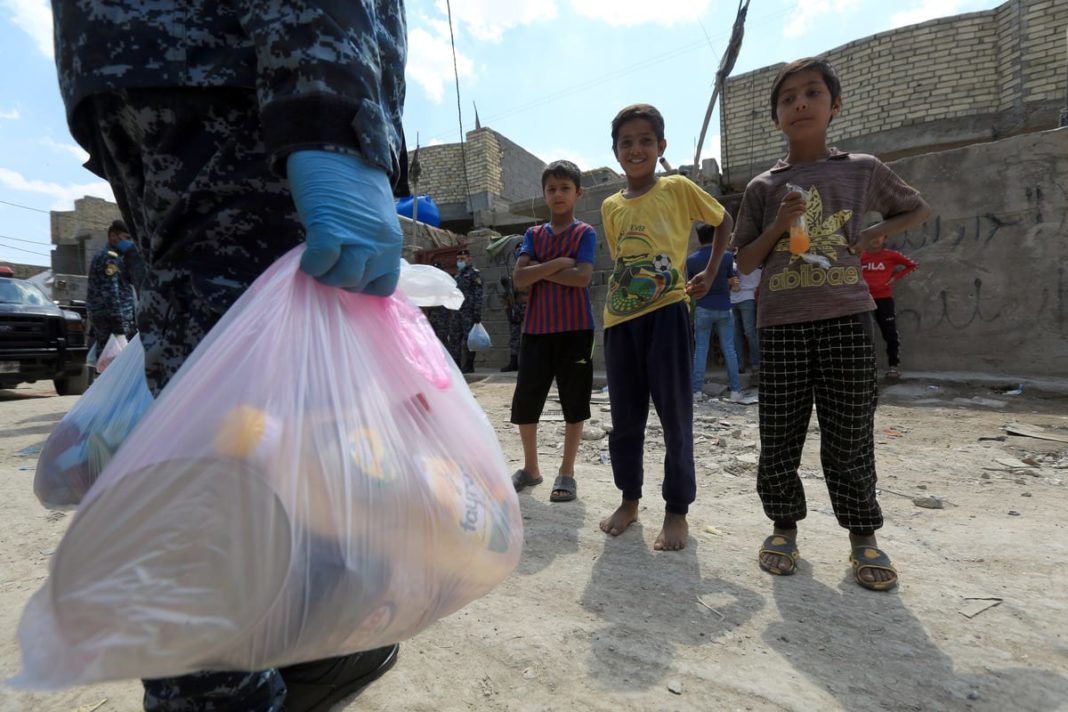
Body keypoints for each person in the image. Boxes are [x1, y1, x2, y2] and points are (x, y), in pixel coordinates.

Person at [50, 1, 408, 709]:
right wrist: (331, 119)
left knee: (221, 440)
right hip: (239, 81)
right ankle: (230, 685)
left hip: (141, 73)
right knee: (226, 479)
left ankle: (241, 671)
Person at [732, 57, 931, 591]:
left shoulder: (861, 169)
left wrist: (872, 236)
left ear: (833, 105)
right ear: (776, 117)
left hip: (846, 316)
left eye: (812, 93)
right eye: (788, 98)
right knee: (779, 436)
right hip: (780, 325)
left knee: (848, 436)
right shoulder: (762, 186)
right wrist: (778, 222)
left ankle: (863, 536)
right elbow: (746, 261)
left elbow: (915, 208)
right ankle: (783, 527)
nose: (800, 103)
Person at [598, 104, 733, 551]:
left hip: (669, 314)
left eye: (645, 141)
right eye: (626, 142)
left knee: (675, 418)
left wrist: (711, 271)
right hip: (620, 323)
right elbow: (622, 258)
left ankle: (677, 510)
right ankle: (629, 500)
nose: (636, 149)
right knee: (625, 421)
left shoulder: (677, 187)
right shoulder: (610, 206)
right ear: (616, 151)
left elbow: (722, 220)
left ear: (661, 147)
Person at [508, 160, 596, 503]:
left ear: (578, 193)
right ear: (544, 194)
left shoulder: (585, 233)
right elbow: (518, 279)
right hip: (537, 331)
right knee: (526, 401)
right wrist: (561, 264)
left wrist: (538, 271)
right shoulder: (533, 234)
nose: (557, 194)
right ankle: (531, 469)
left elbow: (583, 278)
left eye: (565, 188)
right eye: (551, 189)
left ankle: (567, 471)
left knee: (575, 402)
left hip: (575, 330)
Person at [686, 223, 743, 403]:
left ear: (699, 237)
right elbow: (731, 280)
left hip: (703, 307)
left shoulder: (691, 260)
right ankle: (735, 390)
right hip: (724, 306)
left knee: (701, 350)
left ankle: (696, 391)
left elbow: (691, 285)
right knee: (729, 349)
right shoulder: (725, 257)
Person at [861, 235, 918, 378]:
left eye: (879, 237)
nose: (875, 239)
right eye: (873, 236)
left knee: (890, 333)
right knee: (862, 335)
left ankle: (893, 366)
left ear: (884, 239)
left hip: (884, 300)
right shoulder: (860, 256)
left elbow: (912, 265)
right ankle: (864, 369)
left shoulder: (891, 255)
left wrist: (895, 277)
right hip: (862, 300)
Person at [85, 220, 145, 355]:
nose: (130, 242)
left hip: (110, 319)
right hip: (112, 320)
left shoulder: (118, 257)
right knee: (112, 360)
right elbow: (111, 293)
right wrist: (119, 324)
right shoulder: (109, 258)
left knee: (110, 359)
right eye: (127, 238)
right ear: (113, 236)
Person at [448, 248, 483, 373]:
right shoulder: (457, 276)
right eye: (458, 259)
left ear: (469, 259)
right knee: (454, 339)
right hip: (456, 312)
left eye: (462, 259)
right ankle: (456, 365)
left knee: (469, 340)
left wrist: (477, 312)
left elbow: (478, 293)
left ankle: (469, 365)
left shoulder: (474, 273)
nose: (459, 261)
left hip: (469, 312)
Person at [730, 254, 761, 382]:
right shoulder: (753, 266)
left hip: (745, 298)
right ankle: (749, 364)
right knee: (745, 333)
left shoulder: (737, 266)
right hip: (738, 299)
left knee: (745, 333)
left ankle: (750, 364)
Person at [499, 241, 527, 372]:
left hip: (528, 306)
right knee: (514, 335)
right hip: (515, 307)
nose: (518, 251)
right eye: (517, 249)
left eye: (521, 249)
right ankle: (514, 362)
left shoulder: (531, 268)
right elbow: (509, 293)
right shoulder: (513, 271)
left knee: (529, 335)